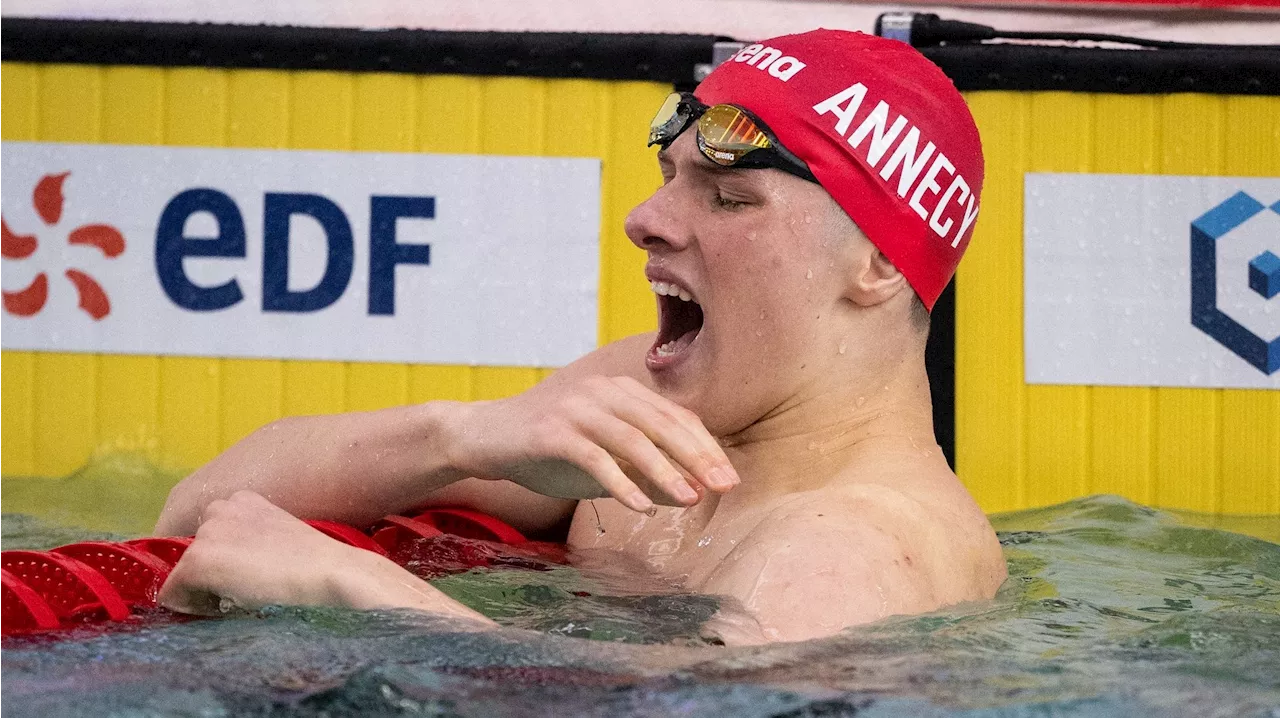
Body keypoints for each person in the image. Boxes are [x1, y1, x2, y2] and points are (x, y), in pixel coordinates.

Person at [154, 29, 1006, 645]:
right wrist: (463, 436)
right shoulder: (650, 407)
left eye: (730, 197)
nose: (645, 221)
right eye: (669, 178)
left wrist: (356, 585)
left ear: (878, 265)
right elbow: (201, 508)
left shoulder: (846, 549)